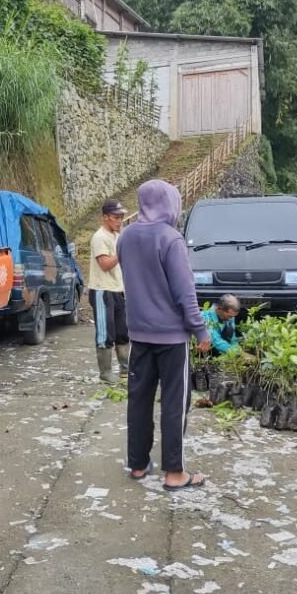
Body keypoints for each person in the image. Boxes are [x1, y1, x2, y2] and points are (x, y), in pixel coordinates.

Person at [117, 180, 211, 492]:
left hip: (139, 336)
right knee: (174, 402)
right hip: (172, 339)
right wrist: (200, 329)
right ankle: (174, 473)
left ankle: (138, 465)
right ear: (171, 204)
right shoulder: (171, 239)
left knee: (139, 400)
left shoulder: (126, 237)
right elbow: (185, 293)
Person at [88, 199, 129, 384]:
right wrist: (121, 252)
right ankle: (105, 372)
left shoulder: (116, 236)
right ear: (105, 217)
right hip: (101, 290)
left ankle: (125, 369)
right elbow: (104, 264)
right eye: (115, 217)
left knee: (123, 331)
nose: (119, 221)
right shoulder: (100, 237)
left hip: (118, 289)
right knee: (106, 333)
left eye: (121, 217)